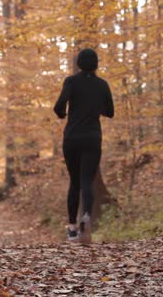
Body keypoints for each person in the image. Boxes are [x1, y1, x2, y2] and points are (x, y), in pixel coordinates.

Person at [53, 48, 114, 242]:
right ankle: (86, 216)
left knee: (75, 182)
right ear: (96, 64)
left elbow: (59, 106)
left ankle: (71, 227)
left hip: (72, 137)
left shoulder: (71, 82)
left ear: (79, 63)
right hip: (92, 138)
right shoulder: (102, 85)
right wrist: (96, 108)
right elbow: (110, 111)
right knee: (87, 180)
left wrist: (63, 113)